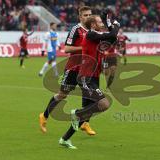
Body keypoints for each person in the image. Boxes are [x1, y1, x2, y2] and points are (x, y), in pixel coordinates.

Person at [59, 14, 120, 149]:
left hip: (94, 78)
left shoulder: (96, 37)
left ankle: (65, 139)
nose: (102, 24)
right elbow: (113, 33)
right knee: (103, 104)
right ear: (92, 25)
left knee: (88, 113)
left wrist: (111, 25)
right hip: (86, 77)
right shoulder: (91, 35)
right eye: (100, 22)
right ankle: (77, 113)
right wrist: (115, 24)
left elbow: (113, 37)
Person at [39, 6, 96, 137]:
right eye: (86, 15)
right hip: (73, 69)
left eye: (90, 15)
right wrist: (84, 48)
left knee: (90, 96)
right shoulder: (76, 29)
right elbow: (67, 49)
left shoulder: (93, 30)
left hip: (86, 69)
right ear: (80, 17)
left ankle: (85, 123)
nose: (88, 17)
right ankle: (44, 115)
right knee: (62, 95)